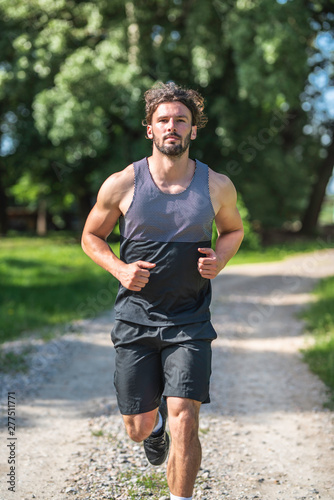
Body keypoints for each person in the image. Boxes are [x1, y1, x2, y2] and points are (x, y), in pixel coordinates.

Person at [81, 81, 244, 500]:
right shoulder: (122, 184)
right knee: (137, 427)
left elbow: (233, 230)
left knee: (185, 418)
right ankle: (152, 431)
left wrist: (219, 260)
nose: (172, 126)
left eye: (181, 120)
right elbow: (90, 237)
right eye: (164, 120)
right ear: (150, 129)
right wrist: (120, 269)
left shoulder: (217, 185)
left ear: (193, 130)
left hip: (189, 319)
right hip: (135, 319)